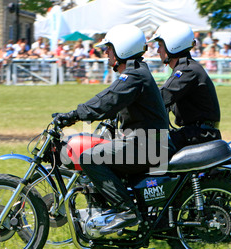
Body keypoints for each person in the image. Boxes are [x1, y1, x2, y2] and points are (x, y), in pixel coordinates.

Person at [53, 24, 170, 234]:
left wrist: (73, 115)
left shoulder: (134, 76)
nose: (106, 52)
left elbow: (107, 100)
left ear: (122, 48)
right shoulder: (137, 73)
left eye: (109, 47)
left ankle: (126, 211)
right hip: (146, 142)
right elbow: (115, 105)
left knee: (89, 158)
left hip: (146, 145)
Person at [148, 21, 221, 151]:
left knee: (145, 148)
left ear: (173, 45)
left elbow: (161, 96)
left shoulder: (187, 71)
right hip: (195, 132)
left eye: (160, 45)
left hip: (199, 134)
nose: (158, 50)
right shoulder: (186, 68)